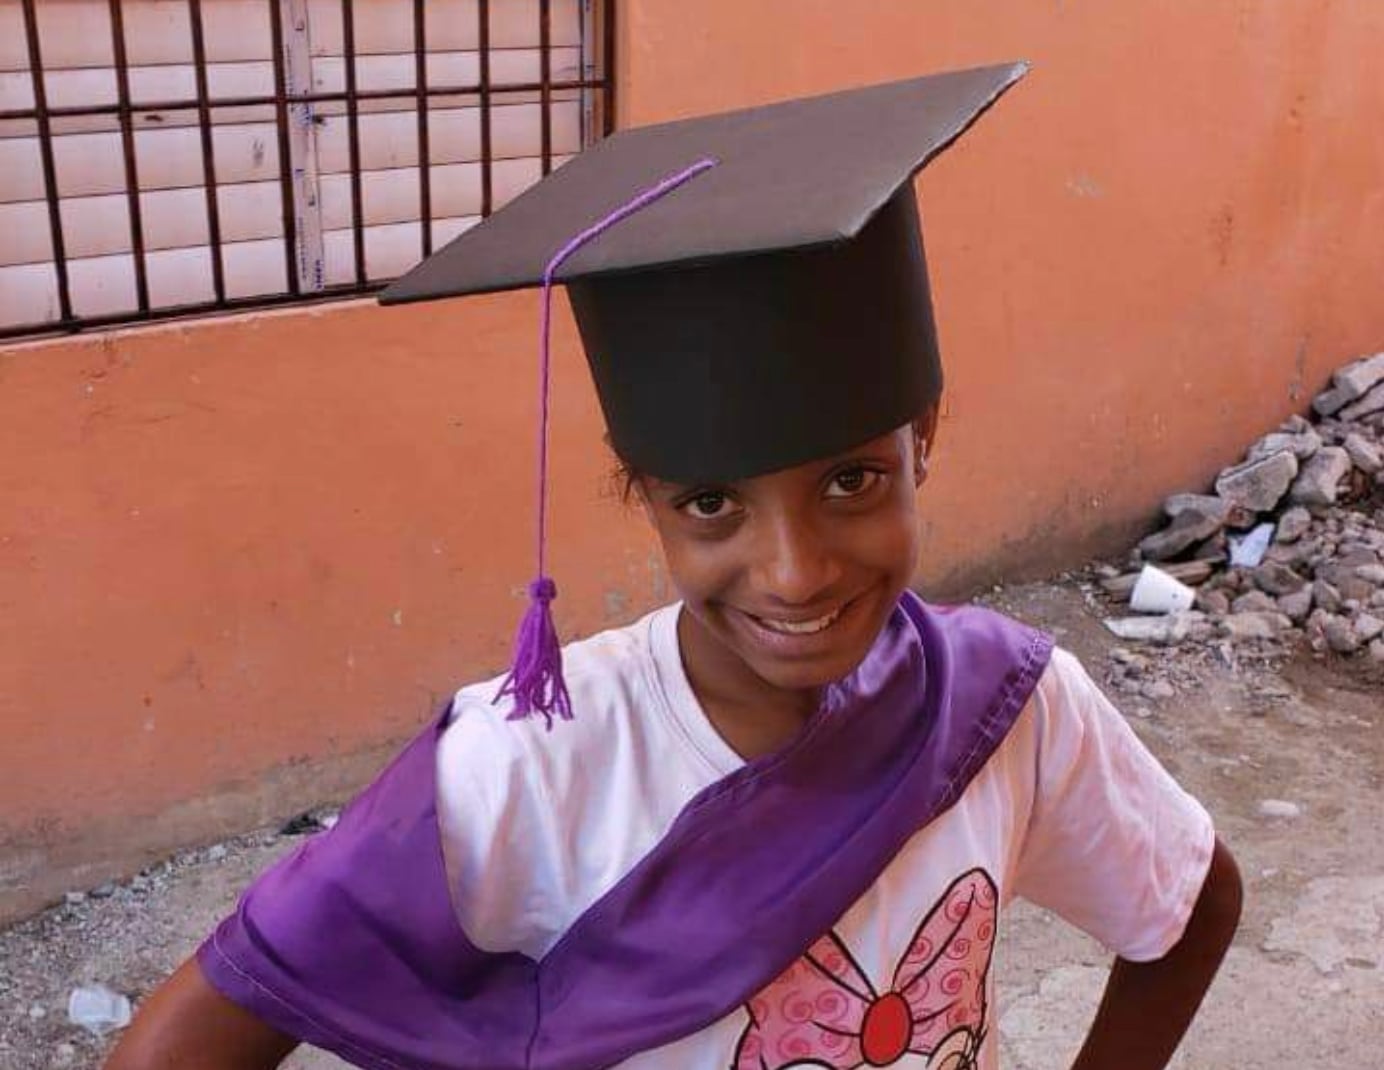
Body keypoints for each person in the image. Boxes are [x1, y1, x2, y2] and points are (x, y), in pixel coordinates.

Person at [105, 64, 1241, 1070]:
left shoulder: (1006, 704)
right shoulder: (524, 768)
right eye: (712, 503)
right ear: (639, 491)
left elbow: (1192, 899)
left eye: (850, 479)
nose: (793, 571)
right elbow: (195, 1034)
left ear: (923, 434)